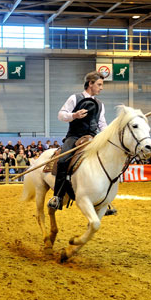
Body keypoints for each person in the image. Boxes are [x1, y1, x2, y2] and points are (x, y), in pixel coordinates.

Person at [48, 71, 107, 210]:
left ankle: (104, 198)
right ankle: (58, 196)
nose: (101, 88)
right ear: (90, 84)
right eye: (99, 84)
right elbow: (61, 115)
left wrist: (107, 135)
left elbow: (102, 124)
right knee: (63, 160)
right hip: (74, 136)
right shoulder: (75, 98)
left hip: (92, 138)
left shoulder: (100, 104)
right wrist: (74, 115)